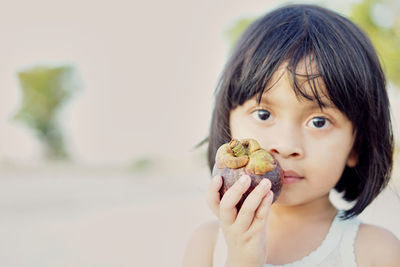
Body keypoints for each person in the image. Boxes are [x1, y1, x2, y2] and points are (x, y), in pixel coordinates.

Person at [182, 4, 400, 267]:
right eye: (263, 115)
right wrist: (243, 256)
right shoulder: (208, 246)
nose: (286, 146)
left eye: (319, 122)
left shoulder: (376, 252)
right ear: (227, 122)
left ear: (356, 146)